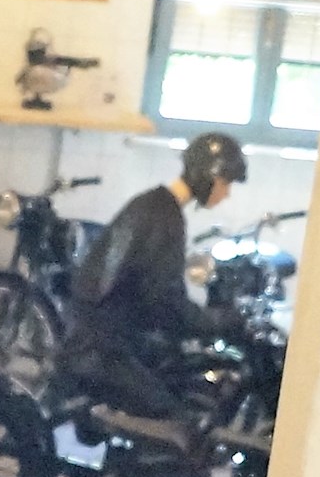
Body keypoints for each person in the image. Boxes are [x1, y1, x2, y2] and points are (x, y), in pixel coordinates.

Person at [59, 130, 245, 423]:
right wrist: (221, 321)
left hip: (85, 337)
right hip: (104, 353)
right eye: (226, 183)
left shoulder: (149, 204)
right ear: (209, 177)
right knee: (182, 429)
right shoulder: (166, 220)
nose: (227, 193)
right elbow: (166, 304)